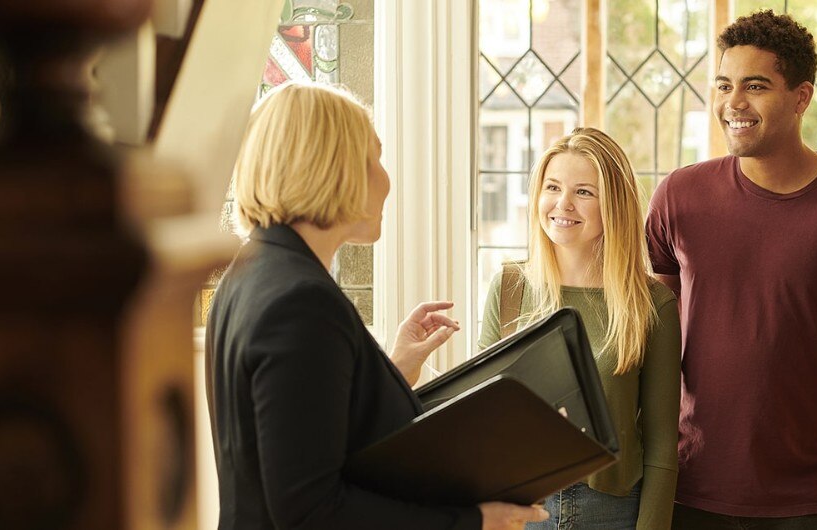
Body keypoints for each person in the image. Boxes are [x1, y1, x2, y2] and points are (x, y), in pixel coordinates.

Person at [206, 82, 549, 530]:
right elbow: (311, 511)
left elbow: (307, 431)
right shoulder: (301, 302)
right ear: (332, 168)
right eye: (374, 159)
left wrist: (393, 367)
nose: (386, 179)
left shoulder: (252, 270)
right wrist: (471, 520)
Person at [644, 10, 817, 530]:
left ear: (801, 97)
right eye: (724, 85)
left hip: (811, 503)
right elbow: (649, 349)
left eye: (755, 86)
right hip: (686, 493)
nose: (733, 103)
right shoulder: (677, 198)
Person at [478, 127, 682, 530]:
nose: (563, 204)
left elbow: (661, 445)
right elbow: (485, 423)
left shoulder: (651, 303)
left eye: (584, 192)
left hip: (611, 512)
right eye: (552, 187)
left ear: (614, 205)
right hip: (520, 510)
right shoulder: (509, 288)